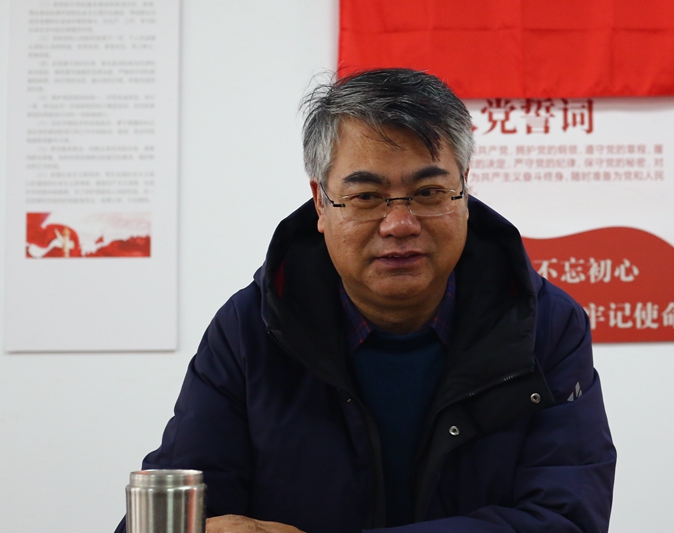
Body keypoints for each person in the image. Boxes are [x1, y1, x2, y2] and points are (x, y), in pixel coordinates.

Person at [115, 68, 615, 533]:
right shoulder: (252, 328)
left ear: (463, 190)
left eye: (429, 192)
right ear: (321, 202)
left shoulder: (544, 325)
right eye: (366, 197)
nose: (399, 224)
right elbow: (176, 513)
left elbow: (567, 519)